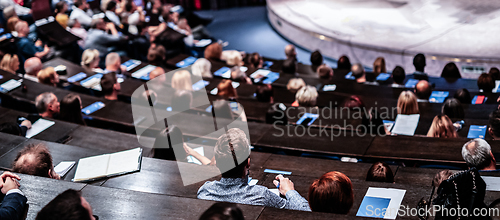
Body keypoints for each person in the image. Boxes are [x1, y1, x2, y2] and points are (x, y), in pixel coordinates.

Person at [198, 128, 311, 211]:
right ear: (248, 163)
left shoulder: (205, 192)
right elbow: (307, 212)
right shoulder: (261, 195)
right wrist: (290, 191)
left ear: (217, 163)